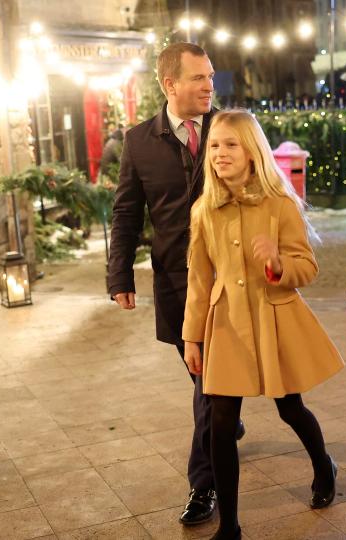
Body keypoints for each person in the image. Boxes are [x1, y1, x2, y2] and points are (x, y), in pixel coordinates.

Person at [182, 109, 344, 540]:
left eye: (231, 144)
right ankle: (231, 526)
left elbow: (306, 267)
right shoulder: (204, 211)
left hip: (273, 320)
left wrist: (277, 264)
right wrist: (191, 337)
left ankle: (323, 464)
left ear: (252, 151)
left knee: (290, 407)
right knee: (219, 421)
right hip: (226, 325)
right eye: (214, 145)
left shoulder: (280, 204)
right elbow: (199, 280)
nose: (220, 153)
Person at [107, 42, 243, 527]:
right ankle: (225, 423)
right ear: (170, 84)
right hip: (175, 283)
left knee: (209, 387)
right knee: (205, 381)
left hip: (230, 282)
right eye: (199, 78)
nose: (211, 86)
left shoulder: (231, 131)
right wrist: (119, 273)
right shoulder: (139, 140)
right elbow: (126, 212)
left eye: (211, 77)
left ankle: (202, 484)